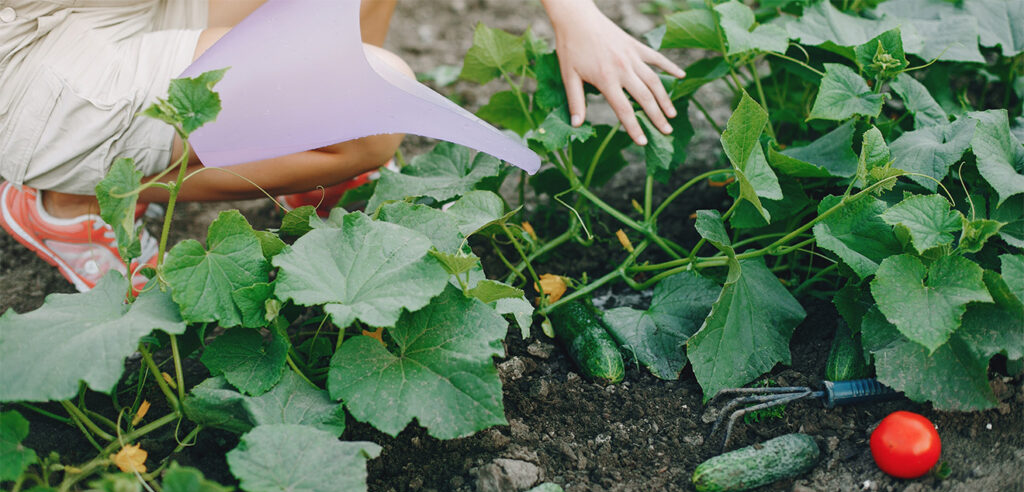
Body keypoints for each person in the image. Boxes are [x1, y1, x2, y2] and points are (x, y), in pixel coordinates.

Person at [0, 0, 685, 293]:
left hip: (120, 15)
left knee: (353, 82)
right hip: (39, 67)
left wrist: (576, 15)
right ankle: (68, 198)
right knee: (376, 104)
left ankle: (311, 158)